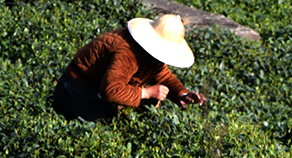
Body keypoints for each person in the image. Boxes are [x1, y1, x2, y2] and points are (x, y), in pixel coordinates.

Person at [51, 13, 206, 121]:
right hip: (77, 90)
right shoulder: (127, 52)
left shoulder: (152, 53)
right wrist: (146, 92)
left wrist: (182, 95)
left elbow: (163, 75)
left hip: (95, 90)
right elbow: (111, 90)